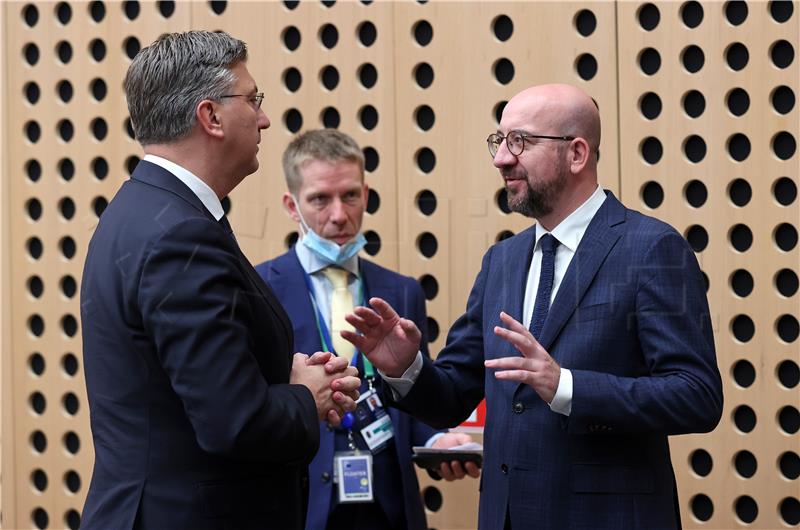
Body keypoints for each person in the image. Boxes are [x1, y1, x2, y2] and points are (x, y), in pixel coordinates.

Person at [343, 84, 724, 530]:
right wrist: (406, 368)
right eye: (499, 141)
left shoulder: (651, 248)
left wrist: (567, 386)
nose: (501, 158)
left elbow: (696, 395)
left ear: (577, 153)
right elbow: (454, 393)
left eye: (520, 141)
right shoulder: (502, 261)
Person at [79, 31, 360, 530]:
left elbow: (187, 383)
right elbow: (234, 422)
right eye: (253, 100)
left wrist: (279, 372)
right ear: (210, 117)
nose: (265, 117)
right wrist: (305, 394)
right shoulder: (180, 233)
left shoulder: (142, 210)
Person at [256, 129, 477, 530]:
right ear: (292, 205)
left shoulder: (403, 291)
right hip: (301, 503)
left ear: (366, 194)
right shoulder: (260, 289)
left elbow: (414, 395)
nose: (339, 214)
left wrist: (436, 440)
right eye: (320, 199)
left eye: (351, 195)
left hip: (389, 505)